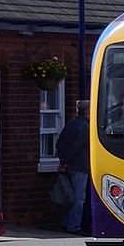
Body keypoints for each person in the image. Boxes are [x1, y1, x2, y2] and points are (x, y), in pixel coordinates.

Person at [55, 99, 91, 233]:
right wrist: (65, 161)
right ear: (88, 112)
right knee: (78, 199)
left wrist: (62, 160)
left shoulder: (71, 124)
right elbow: (77, 147)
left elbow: (60, 144)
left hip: (69, 166)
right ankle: (74, 226)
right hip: (80, 166)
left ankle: (66, 222)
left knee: (69, 197)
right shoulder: (85, 127)